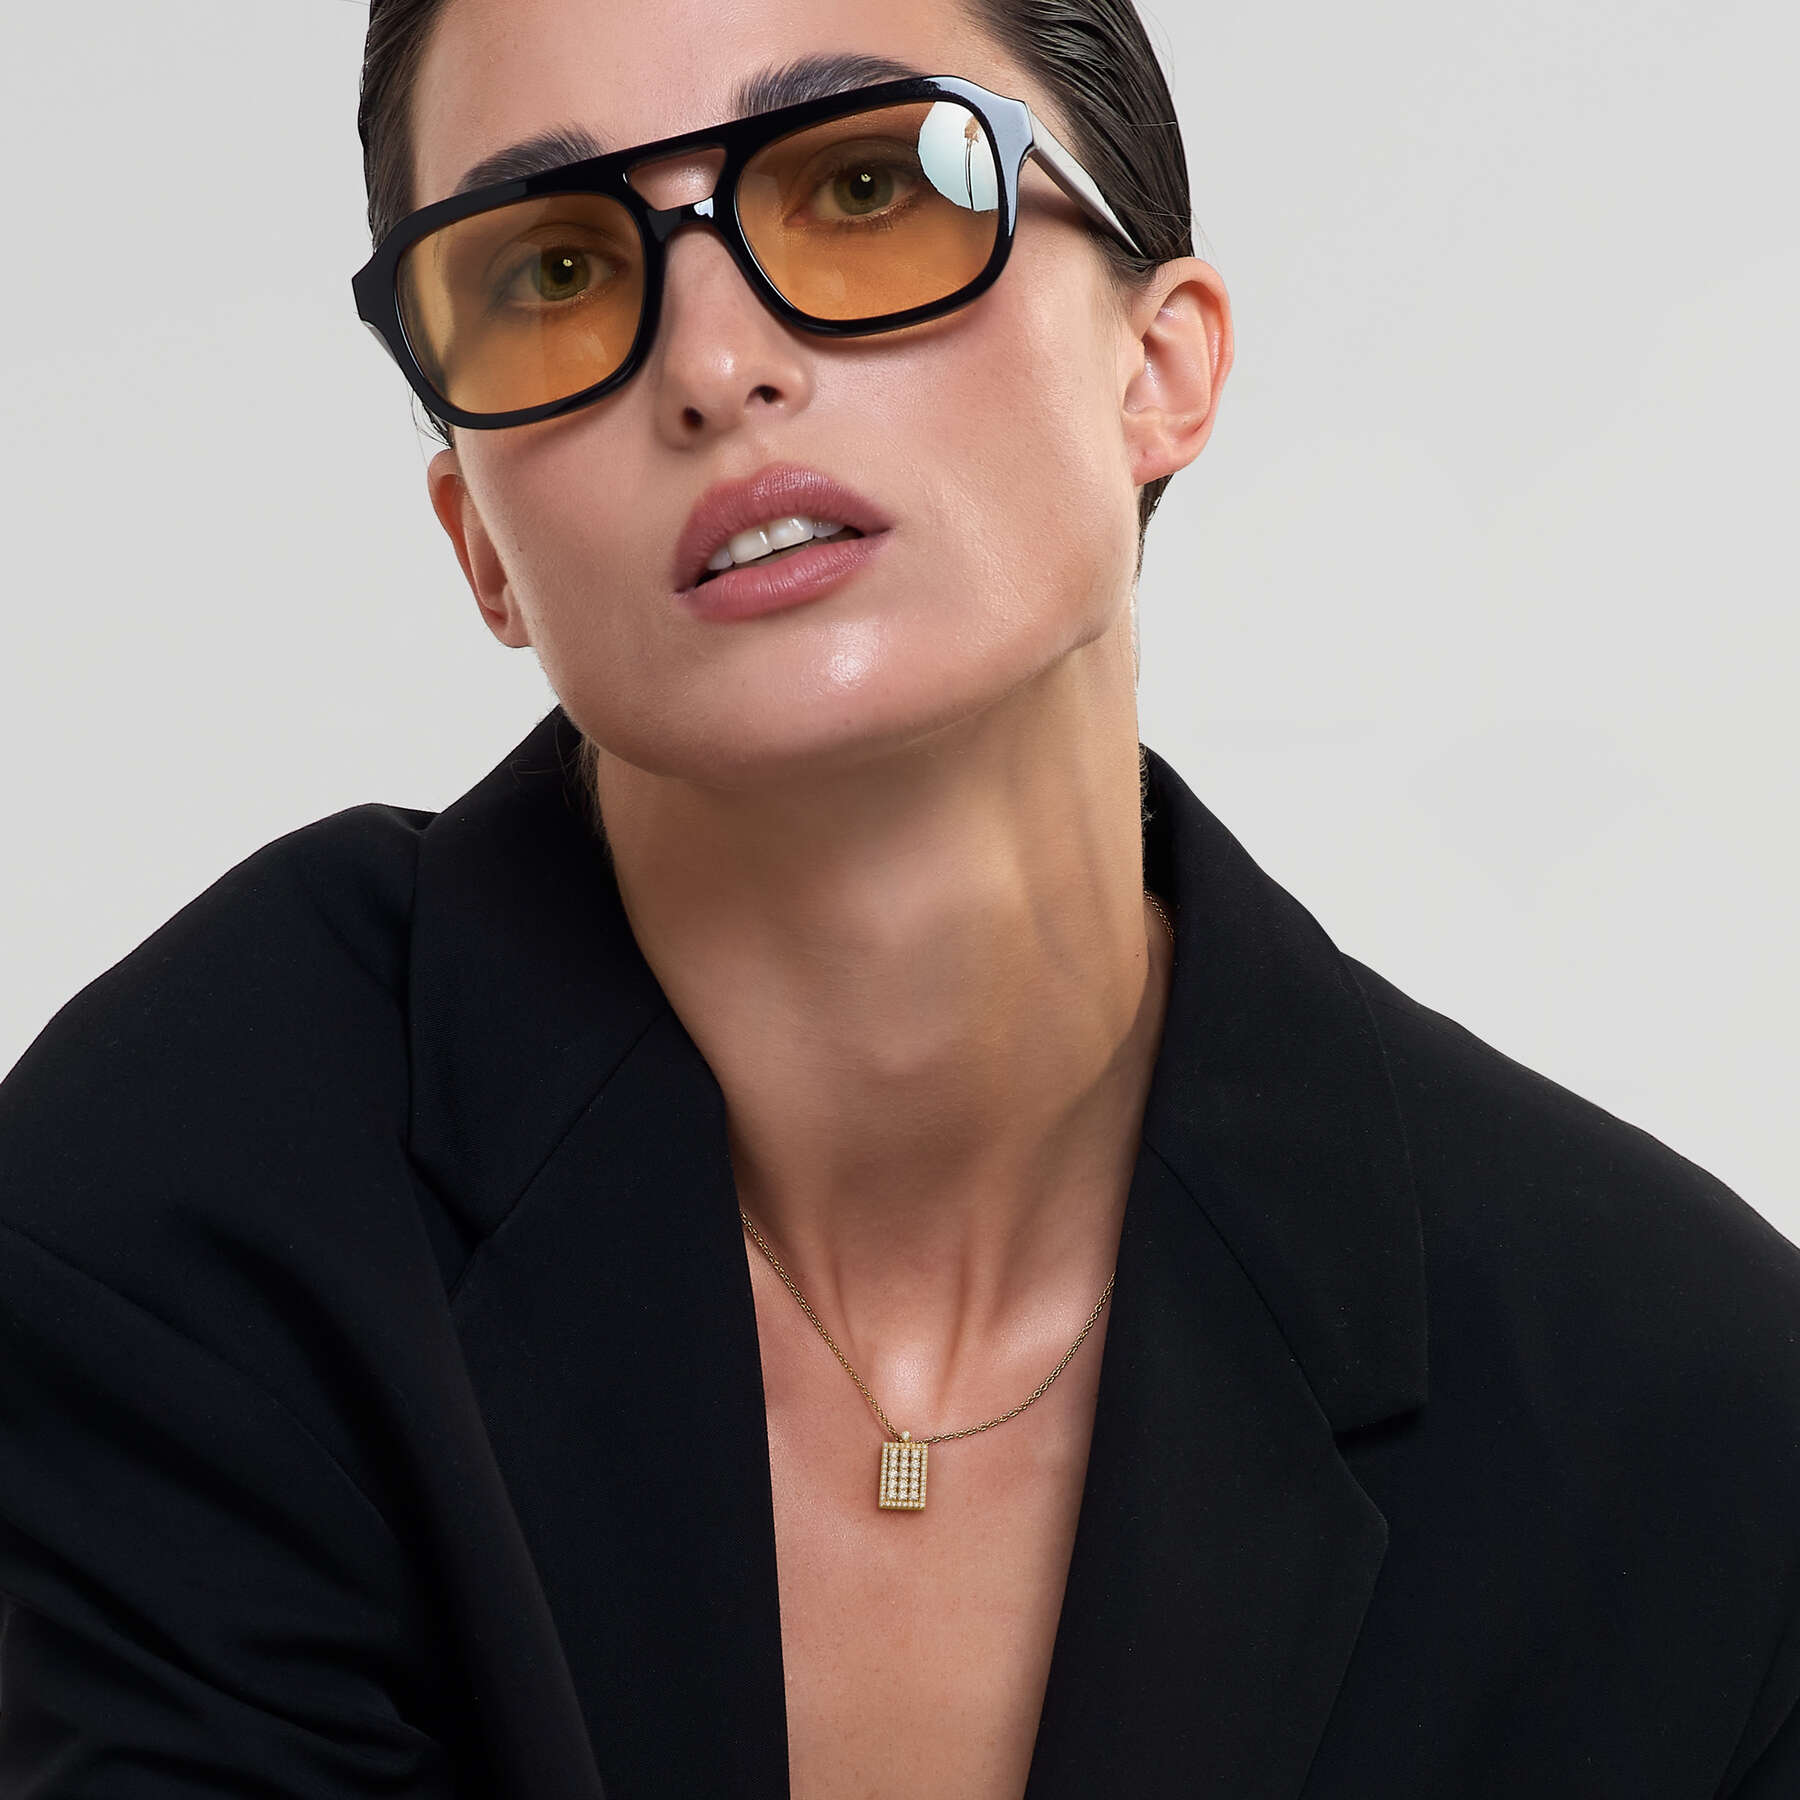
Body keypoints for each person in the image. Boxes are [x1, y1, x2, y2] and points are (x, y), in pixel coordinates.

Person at [2, 0, 1796, 1793]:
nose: (715, 362)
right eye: (556, 270)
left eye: (865, 186)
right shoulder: (182, 1204)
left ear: (1158, 366)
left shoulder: (1684, 1416)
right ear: (479, 542)